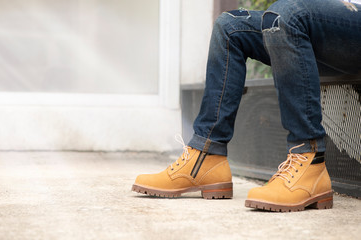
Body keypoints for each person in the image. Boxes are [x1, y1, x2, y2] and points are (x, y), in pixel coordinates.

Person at [132, 0, 361, 212]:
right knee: (230, 26)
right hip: (326, 24)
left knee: (287, 13)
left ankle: (310, 160)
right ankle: (206, 156)